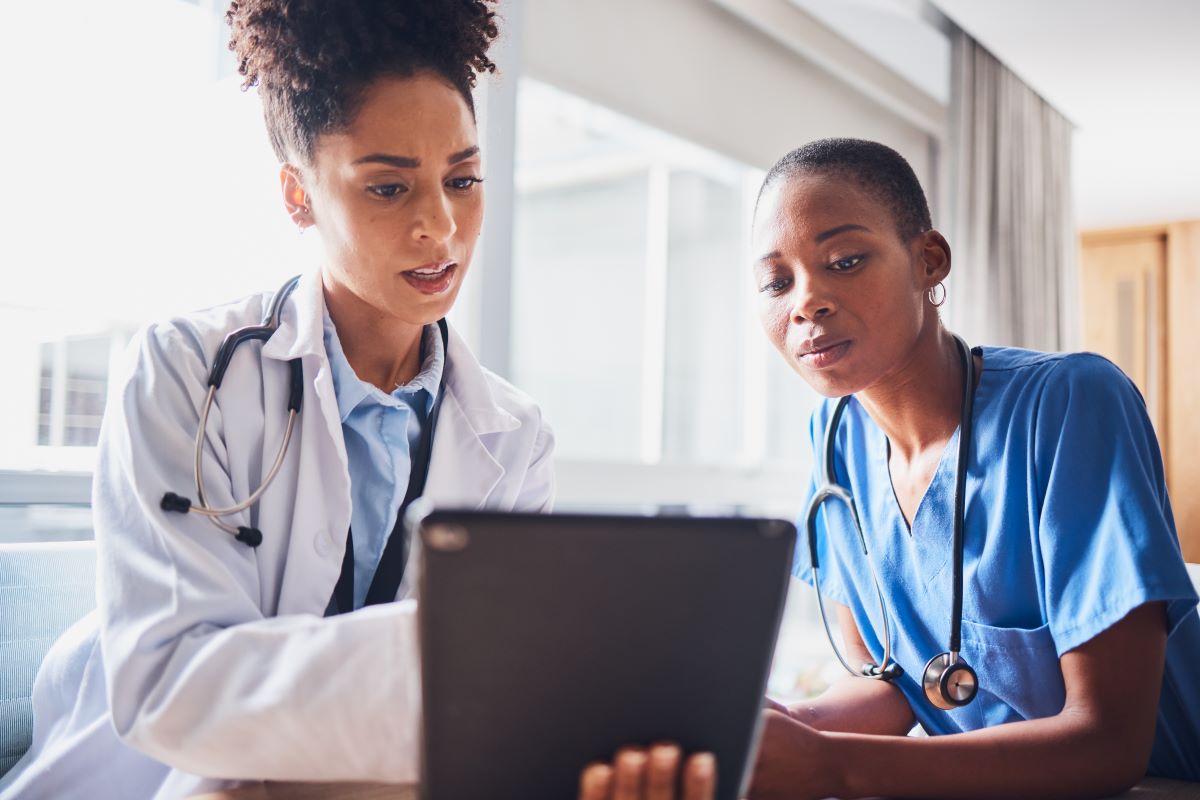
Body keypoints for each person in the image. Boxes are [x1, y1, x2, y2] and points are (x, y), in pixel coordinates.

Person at [0, 2, 555, 798]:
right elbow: (172, 685)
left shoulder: (516, 439)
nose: (442, 226)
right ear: (298, 195)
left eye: (463, 179)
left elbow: (497, 708)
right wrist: (452, 651)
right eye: (390, 187)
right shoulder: (188, 370)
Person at [742, 138, 1200, 799]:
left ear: (929, 261)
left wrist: (830, 765)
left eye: (844, 260)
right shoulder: (834, 436)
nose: (806, 302)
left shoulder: (1070, 404)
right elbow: (893, 681)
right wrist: (785, 729)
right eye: (776, 282)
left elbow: (1109, 741)